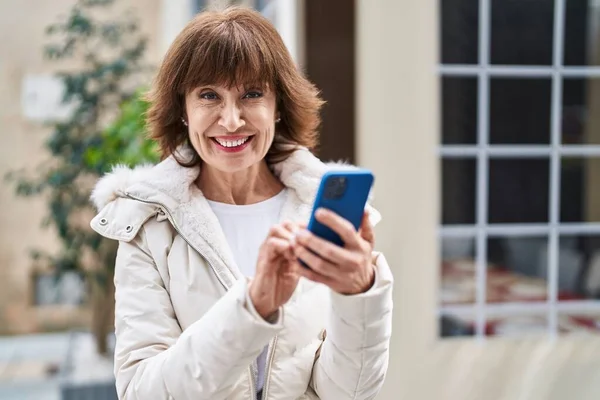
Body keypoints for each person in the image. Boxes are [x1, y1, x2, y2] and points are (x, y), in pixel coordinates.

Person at [90, 6, 393, 400]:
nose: (231, 120)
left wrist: (359, 298)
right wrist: (252, 308)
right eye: (208, 95)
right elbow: (140, 392)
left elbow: (347, 394)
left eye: (252, 94)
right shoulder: (149, 225)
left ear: (278, 105)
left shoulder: (318, 213)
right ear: (183, 109)